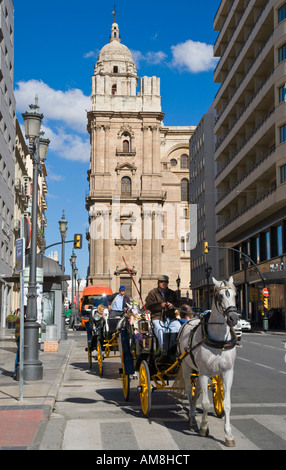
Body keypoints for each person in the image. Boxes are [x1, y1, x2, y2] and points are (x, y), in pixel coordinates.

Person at [145, 275, 181, 348]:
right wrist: (160, 306)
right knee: (160, 330)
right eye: (161, 282)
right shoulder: (152, 293)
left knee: (178, 327)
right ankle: (163, 349)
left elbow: (178, 304)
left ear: (167, 283)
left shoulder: (172, 293)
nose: (163, 283)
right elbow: (149, 306)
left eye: (165, 282)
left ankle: (175, 348)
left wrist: (172, 305)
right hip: (157, 317)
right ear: (158, 283)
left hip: (170, 317)